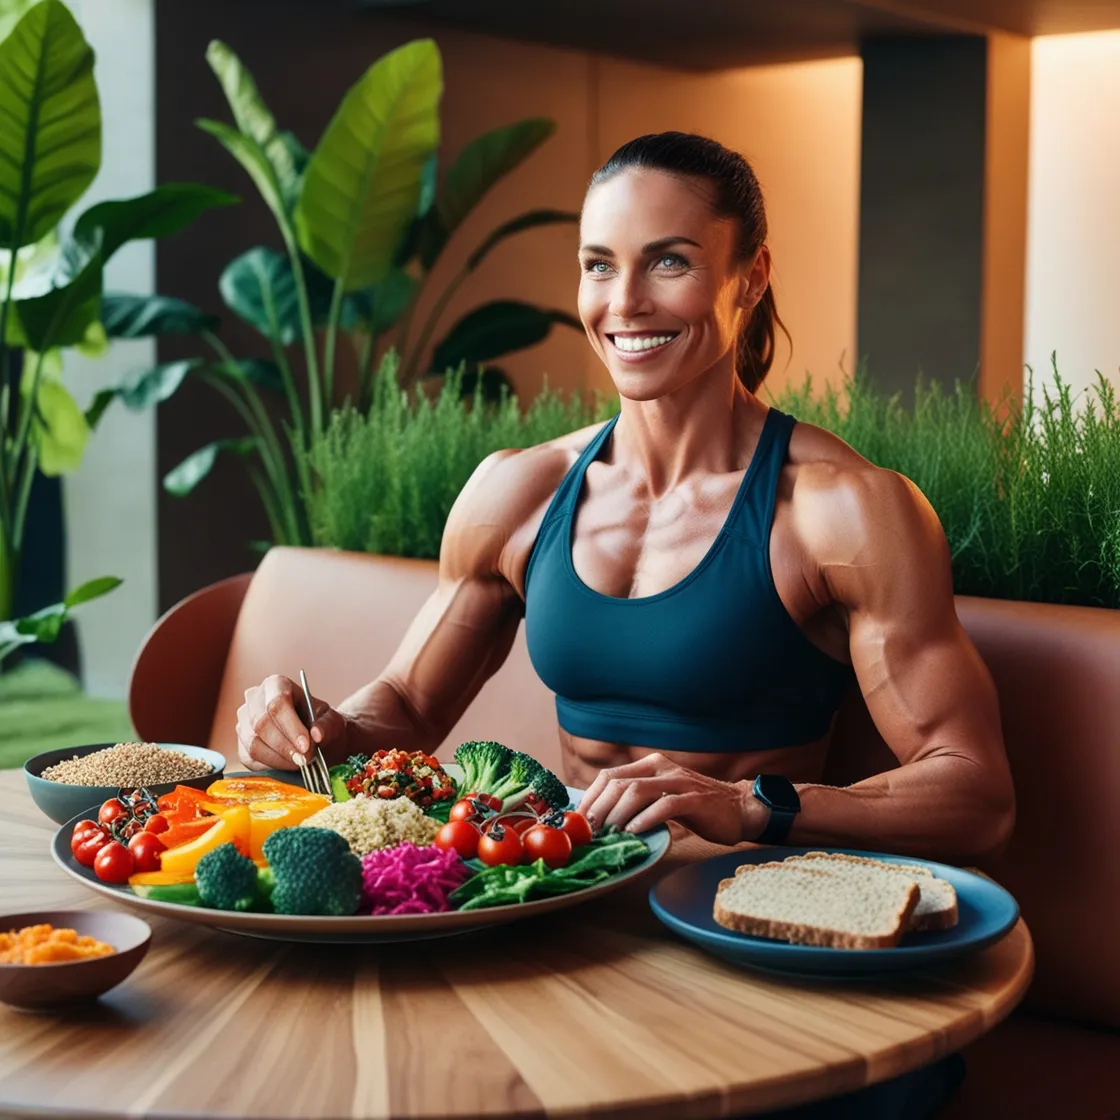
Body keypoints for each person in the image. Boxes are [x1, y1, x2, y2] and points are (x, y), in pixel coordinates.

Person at [237, 131, 1011, 1120]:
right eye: (599, 265)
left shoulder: (843, 511)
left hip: (754, 938)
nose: (625, 302)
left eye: (670, 262)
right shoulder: (517, 491)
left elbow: (975, 793)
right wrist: (318, 726)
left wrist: (755, 806)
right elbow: (409, 704)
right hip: (573, 916)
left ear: (749, 275)